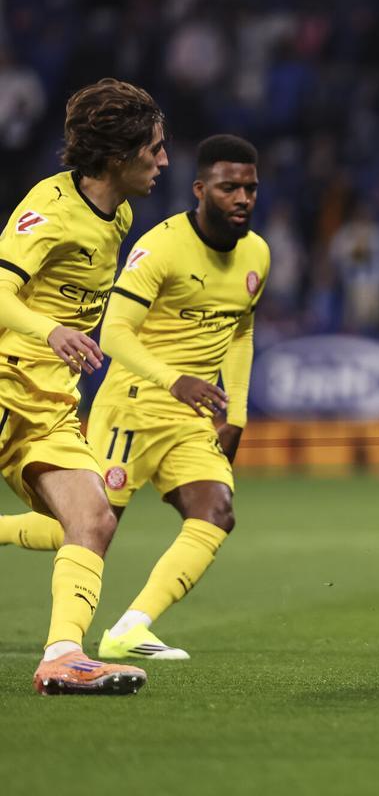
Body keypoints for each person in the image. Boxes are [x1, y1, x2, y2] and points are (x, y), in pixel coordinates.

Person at [0, 134, 268, 659]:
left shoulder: (253, 252)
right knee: (85, 525)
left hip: (176, 413)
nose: (242, 198)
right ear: (201, 189)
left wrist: (234, 409)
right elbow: (115, 332)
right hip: (131, 404)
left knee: (212, 512)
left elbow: (242, 331)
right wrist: (173, 378)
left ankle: (122, 632)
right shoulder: (158, 246)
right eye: (229, 187)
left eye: (251, 188)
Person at [0, 79, 167, 694]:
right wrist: (53, 333)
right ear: (118, 158)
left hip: (46, 408)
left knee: (92, 519)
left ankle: (63, 657)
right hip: (3, 385)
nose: (165, 160)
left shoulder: (119, 212)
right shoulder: (49, 211)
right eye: (155, 148)